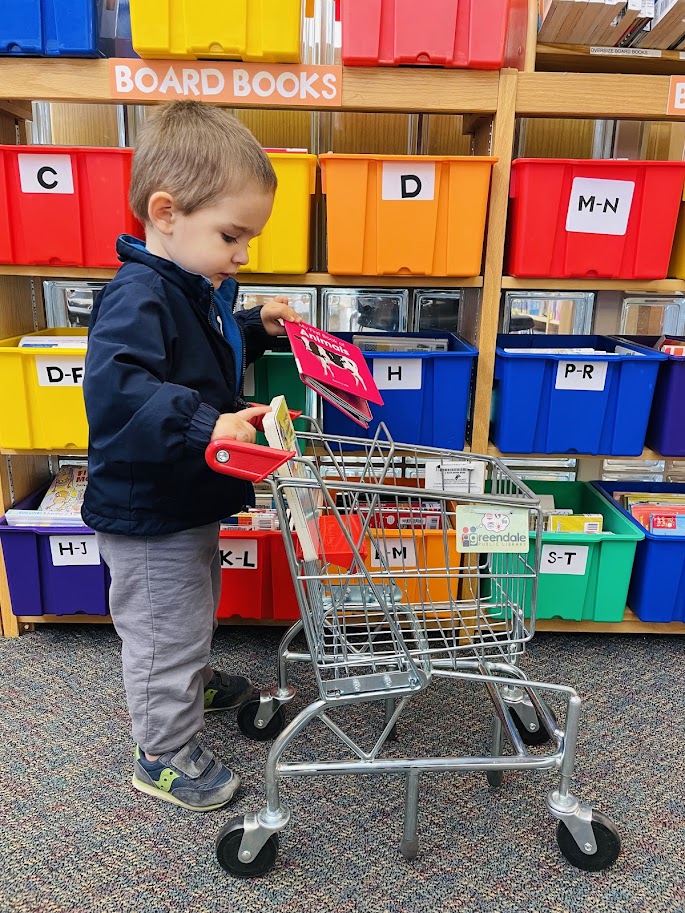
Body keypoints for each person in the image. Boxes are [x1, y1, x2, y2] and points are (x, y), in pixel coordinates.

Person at [82, 100, 302, 812]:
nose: (241, 254)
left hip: (186, 495)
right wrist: (207, 421)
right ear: (167, 211)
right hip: (149, 510)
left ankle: (186, 679)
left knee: (189, 609)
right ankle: (162, 750)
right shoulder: (137, 294)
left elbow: (199, 356)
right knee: (161, 627)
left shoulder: (191, 282)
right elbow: (122, 390)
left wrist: (253, 326)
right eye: (232, 235)